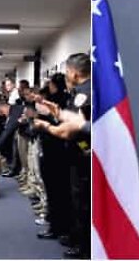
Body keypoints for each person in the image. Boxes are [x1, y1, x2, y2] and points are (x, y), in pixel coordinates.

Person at [34, 53, 91, 258]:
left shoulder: (82, 95)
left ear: (74, 73)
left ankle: (84, 248)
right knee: (76, 200)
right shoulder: (83, 91)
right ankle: (76, 237)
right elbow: (72, 118)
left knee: (82, 203)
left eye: (67, 71)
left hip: (82, 156)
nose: (67, 75)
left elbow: (70, 130)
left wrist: (46, 125)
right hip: (81, 153)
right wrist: (53, 111)